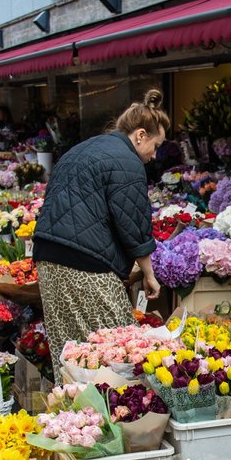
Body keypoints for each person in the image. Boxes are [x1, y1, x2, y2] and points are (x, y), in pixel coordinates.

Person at [33, 88, 166, 359]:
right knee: (117, 352)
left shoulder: (85, 147)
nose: (154, 156)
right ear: (141, 135)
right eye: (156, 146)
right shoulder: (127, 161)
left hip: (48, 258)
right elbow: (134, 224)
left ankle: (69, 401)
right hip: (86, 264)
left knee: (69, 352)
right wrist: (149, 275)